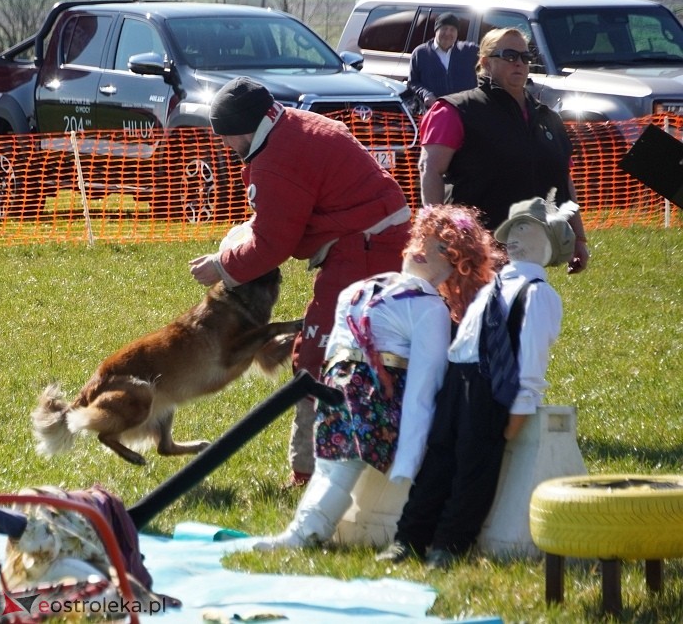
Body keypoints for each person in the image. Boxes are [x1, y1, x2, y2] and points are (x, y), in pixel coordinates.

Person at [189, 76, 412, 487]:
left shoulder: (279, 157)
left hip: (363, 248)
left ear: (242, 129)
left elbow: (274, 243)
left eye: (225, 137)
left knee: (319, 354)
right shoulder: (294, 124)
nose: (225, 146)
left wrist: (222, 267)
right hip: (373, 239)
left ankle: (310, 471)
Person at [253, 205, 499, 550]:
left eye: (444, 250)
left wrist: (410, 457)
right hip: (339, 389)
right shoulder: (362, 288)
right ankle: (301, 531)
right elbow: (337, 344)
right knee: (327, 463)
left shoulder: (431, 310)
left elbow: (423, 387)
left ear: (457, 268)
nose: (427, 251)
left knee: (341, 469)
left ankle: (303, 535)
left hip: (376, 398)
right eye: (427, 239)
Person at [377, 194, 574, 569]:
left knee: (474, 465)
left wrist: (521, 404)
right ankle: (410, 537)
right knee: (438, 456)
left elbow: (532, 353)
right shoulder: (494, 286)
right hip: (458, 378)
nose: (514, 235)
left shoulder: (538, 294)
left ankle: (450, 544)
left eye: (526, 227)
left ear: (550, 243)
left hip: (490, 384)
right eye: (513, 227)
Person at [418, 26, 590, 273]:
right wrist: (435, 234)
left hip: (530, 250)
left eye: (525, 57)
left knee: (524, 311)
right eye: (509, 56)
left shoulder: (546, 117)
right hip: (472, 252)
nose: (519, 63)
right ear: (486, 62)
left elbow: (564, 179)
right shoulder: (455, 110)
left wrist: (579, 238)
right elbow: (430, 170)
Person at [407, 13, 479, 111]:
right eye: (444, 28)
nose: (448, 33)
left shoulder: (470, 51)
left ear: (457, 33)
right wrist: (426, 94)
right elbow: (413, 82)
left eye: (452, 30)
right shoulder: (420, 53)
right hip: (435, 112)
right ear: (436, 30)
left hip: (465, 112)